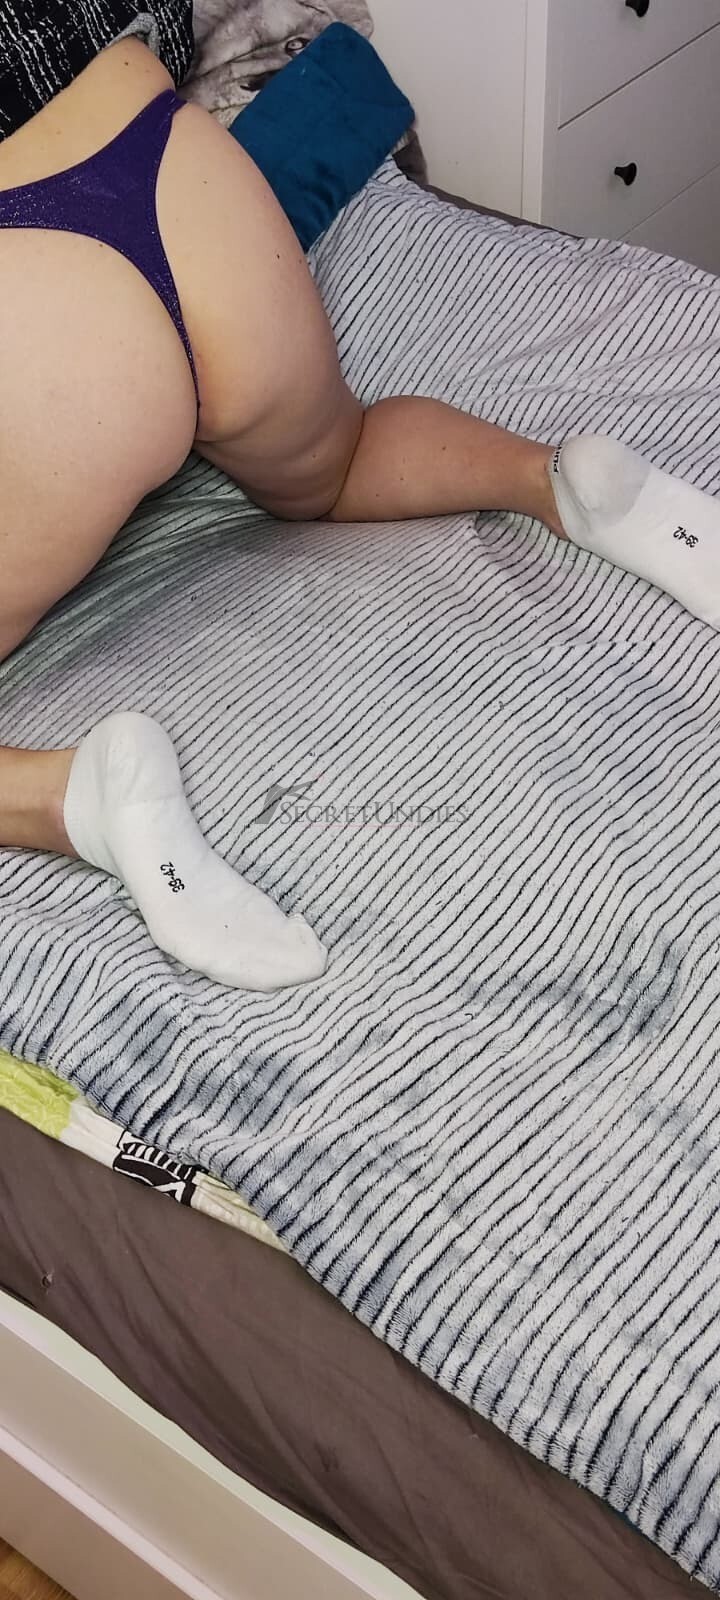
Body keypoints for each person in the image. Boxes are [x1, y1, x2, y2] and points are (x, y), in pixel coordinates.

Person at [2, 18, 719, 991]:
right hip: (154, 148)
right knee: (336, 464)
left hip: (32, 295)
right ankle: (559, 480)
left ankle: (74, 795)